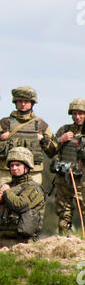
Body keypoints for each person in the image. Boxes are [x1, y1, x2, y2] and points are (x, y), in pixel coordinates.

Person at [0, 86, 57, 187]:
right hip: (7, 172)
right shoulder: (4, 123)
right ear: (15, 102)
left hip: (33, 173)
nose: (23, 104)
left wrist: (43, 140)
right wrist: (0, 138)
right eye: (20, 101)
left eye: (26, 101)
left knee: (32, 201)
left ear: (32, 103)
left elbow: (53, 151)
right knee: (2, 199)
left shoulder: (41, 125)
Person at [0, 147, 46, 248]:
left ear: (27, 167)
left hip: (25, 243)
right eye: (12, 165)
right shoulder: (7, 186)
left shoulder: (34, 188)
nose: (14, 168)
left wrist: (6, 192)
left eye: (18, 165)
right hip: (3, 240)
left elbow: (20, 204)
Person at [51, 99, 85, 234]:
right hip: (64, 180)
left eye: (81, 113)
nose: (77, 117)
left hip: (82, 181)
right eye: (75, 113)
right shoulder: (64, 130)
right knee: (64, 214)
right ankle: (65, 241)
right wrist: (60, 140)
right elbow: (50, 150)